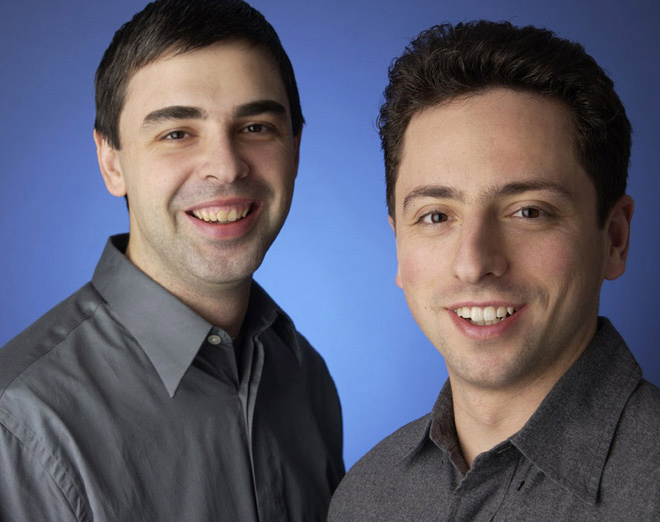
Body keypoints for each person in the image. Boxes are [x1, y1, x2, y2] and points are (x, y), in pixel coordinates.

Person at [0, 0, 344, 520]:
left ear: (294, 147)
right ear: (111, 162)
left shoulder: (303, 374)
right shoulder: (20, 423)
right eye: (176, 133)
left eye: (255, 127)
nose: (226, 167)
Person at [328, 20, 659, 521]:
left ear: (614, 239)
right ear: (398, 245)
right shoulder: (366, 497)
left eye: (529, 211)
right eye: (436, 216)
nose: (474, 263)